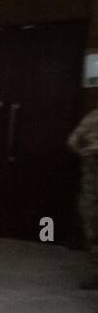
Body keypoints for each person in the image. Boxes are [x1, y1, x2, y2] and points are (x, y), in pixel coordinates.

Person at [66, 107, 98, 290]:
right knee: (92, 231)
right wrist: (84, 150)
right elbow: (73, 140)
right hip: (91, 187)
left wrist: (92, 148)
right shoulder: (93, 116)